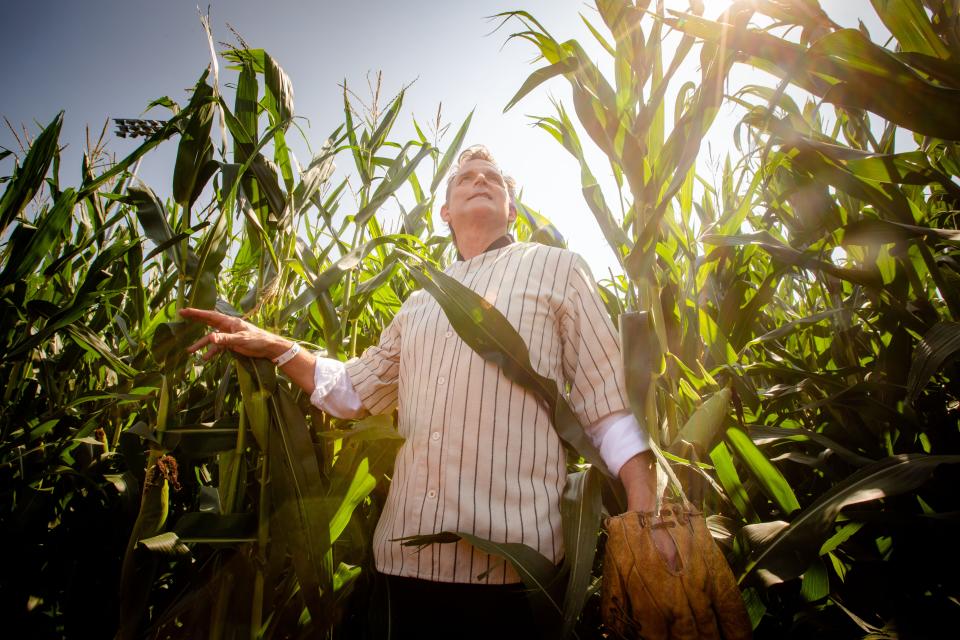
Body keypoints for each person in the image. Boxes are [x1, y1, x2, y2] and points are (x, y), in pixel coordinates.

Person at [180, 146, 670, 638]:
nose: (479, 181)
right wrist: (273, 345)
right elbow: (353, 390)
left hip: (515, 574)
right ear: (445, 213)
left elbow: (607, 408)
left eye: (493, 179)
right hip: (402, 569)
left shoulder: (557, 268)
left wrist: (647, 523)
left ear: (512, 210)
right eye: (465, 179)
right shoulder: (420, 300)